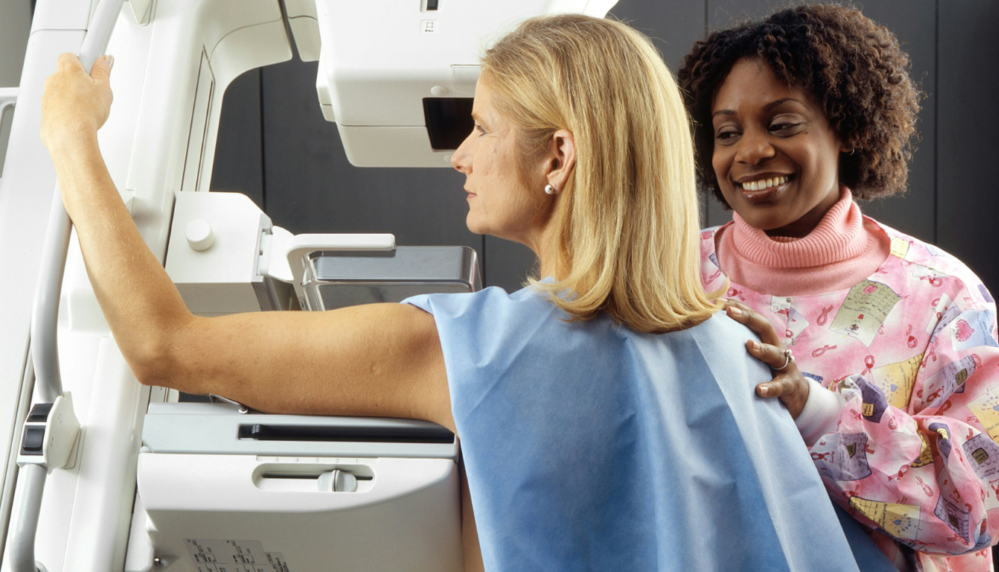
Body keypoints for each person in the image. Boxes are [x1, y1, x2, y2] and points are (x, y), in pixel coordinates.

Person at [40, 14, 860, 572]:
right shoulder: (738, 346)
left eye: (482, 127)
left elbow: (163, 345)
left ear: (558, 158)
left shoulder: (467, 350)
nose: (458, 155)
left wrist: (71, 137)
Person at [678, 5, 999, 572]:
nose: (750, 151)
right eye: (727, 132)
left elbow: (982, 505)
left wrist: (816, 412)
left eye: (782, 122)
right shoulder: (671, 276)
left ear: (847, 125)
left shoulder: (940, 293)